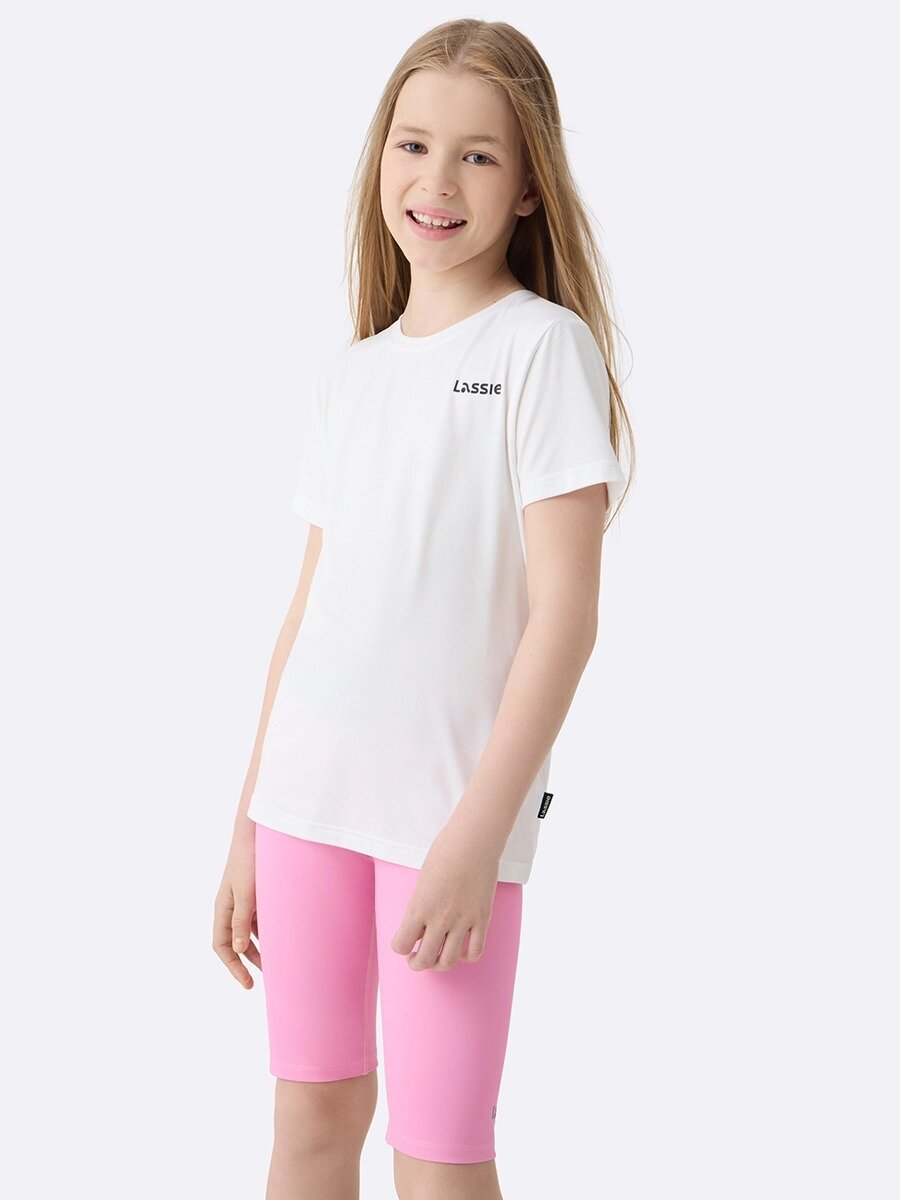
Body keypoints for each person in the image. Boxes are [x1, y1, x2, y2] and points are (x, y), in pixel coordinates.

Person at [213, 18, 634, 1200]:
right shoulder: (350, 376)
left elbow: (566, 618)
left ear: (530, 186)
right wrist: (248, 824)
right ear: (381, 158)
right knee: (309, 1123)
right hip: (305, 809)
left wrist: (475, 841)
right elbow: (307, 616)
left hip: (447, 824)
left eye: (478, 155)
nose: (436, 181)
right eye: (413, 144)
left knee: (440, 1160)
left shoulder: (544, 351)